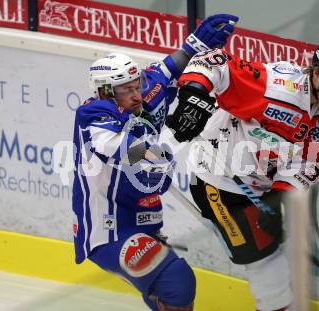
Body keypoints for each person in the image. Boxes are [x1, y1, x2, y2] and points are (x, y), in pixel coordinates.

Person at [166, 36, 319, 311]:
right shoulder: (275, 87)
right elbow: (216, 61)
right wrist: (194, 92)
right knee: (266, 267)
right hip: (217, 177)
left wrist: (279, 199)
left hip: (260, 189)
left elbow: (309, 166)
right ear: (318, 74)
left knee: (282, 263)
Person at [71, 14, 238, 311]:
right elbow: (129, 152)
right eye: (127, 90)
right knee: (177, 280)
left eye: (137, 85)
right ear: (105, 92)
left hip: (144, 220)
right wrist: (166, 148)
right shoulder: (92, 116)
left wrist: (194, 46)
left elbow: (168, 68)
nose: (137, 96)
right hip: (108, 230)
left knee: (164, 289)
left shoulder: (143, 92)